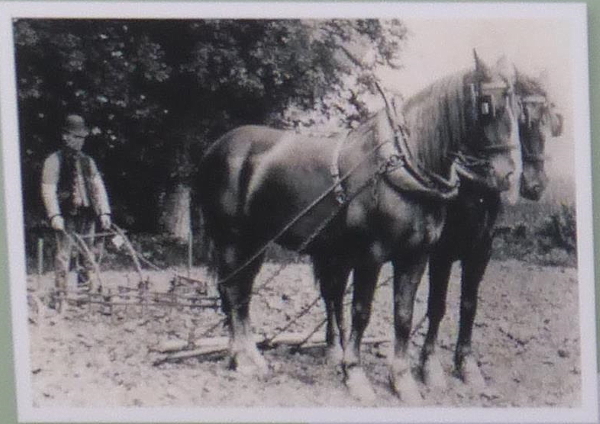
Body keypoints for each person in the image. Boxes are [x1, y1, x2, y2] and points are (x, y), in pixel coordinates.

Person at [41, 114, 112, 305]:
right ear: (65, 136)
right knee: (64, 255)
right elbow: (48, 190)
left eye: (82, 138)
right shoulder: (53, 161)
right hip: (66, 215)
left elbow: (99, 187)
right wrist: (54, 214)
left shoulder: (88, 162)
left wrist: (105, 212)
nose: (80, 142)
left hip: (87, 214)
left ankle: (87, 294)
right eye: (76, 137)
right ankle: (61, 295)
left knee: (88, 255)